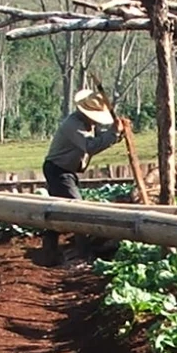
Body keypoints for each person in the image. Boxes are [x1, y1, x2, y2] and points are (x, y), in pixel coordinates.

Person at [40, 87, 129, 261]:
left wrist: (117, 134)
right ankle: (84, 253)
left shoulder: (89, 124)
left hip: (67, 171)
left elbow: (98, 139)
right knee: (77, 209)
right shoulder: (73, 125)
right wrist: (114, 133)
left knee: (60, 207)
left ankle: (49, 250)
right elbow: (91, 146)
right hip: (58, 170)